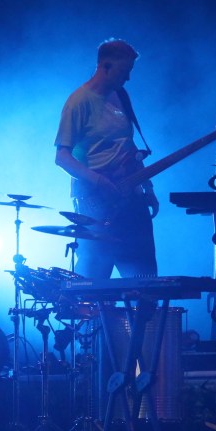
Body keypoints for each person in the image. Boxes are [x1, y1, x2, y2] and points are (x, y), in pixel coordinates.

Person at [54, 38, 160, 279]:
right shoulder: (78, 102)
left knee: (144, 282)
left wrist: (148, 188)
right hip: (97, 204)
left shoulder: (121, 95)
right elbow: (62, 157)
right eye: (124, 71)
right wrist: (99, 181)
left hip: (132, 200)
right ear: (105, 65)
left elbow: (128, 146)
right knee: (93, 285)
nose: (128, 78)